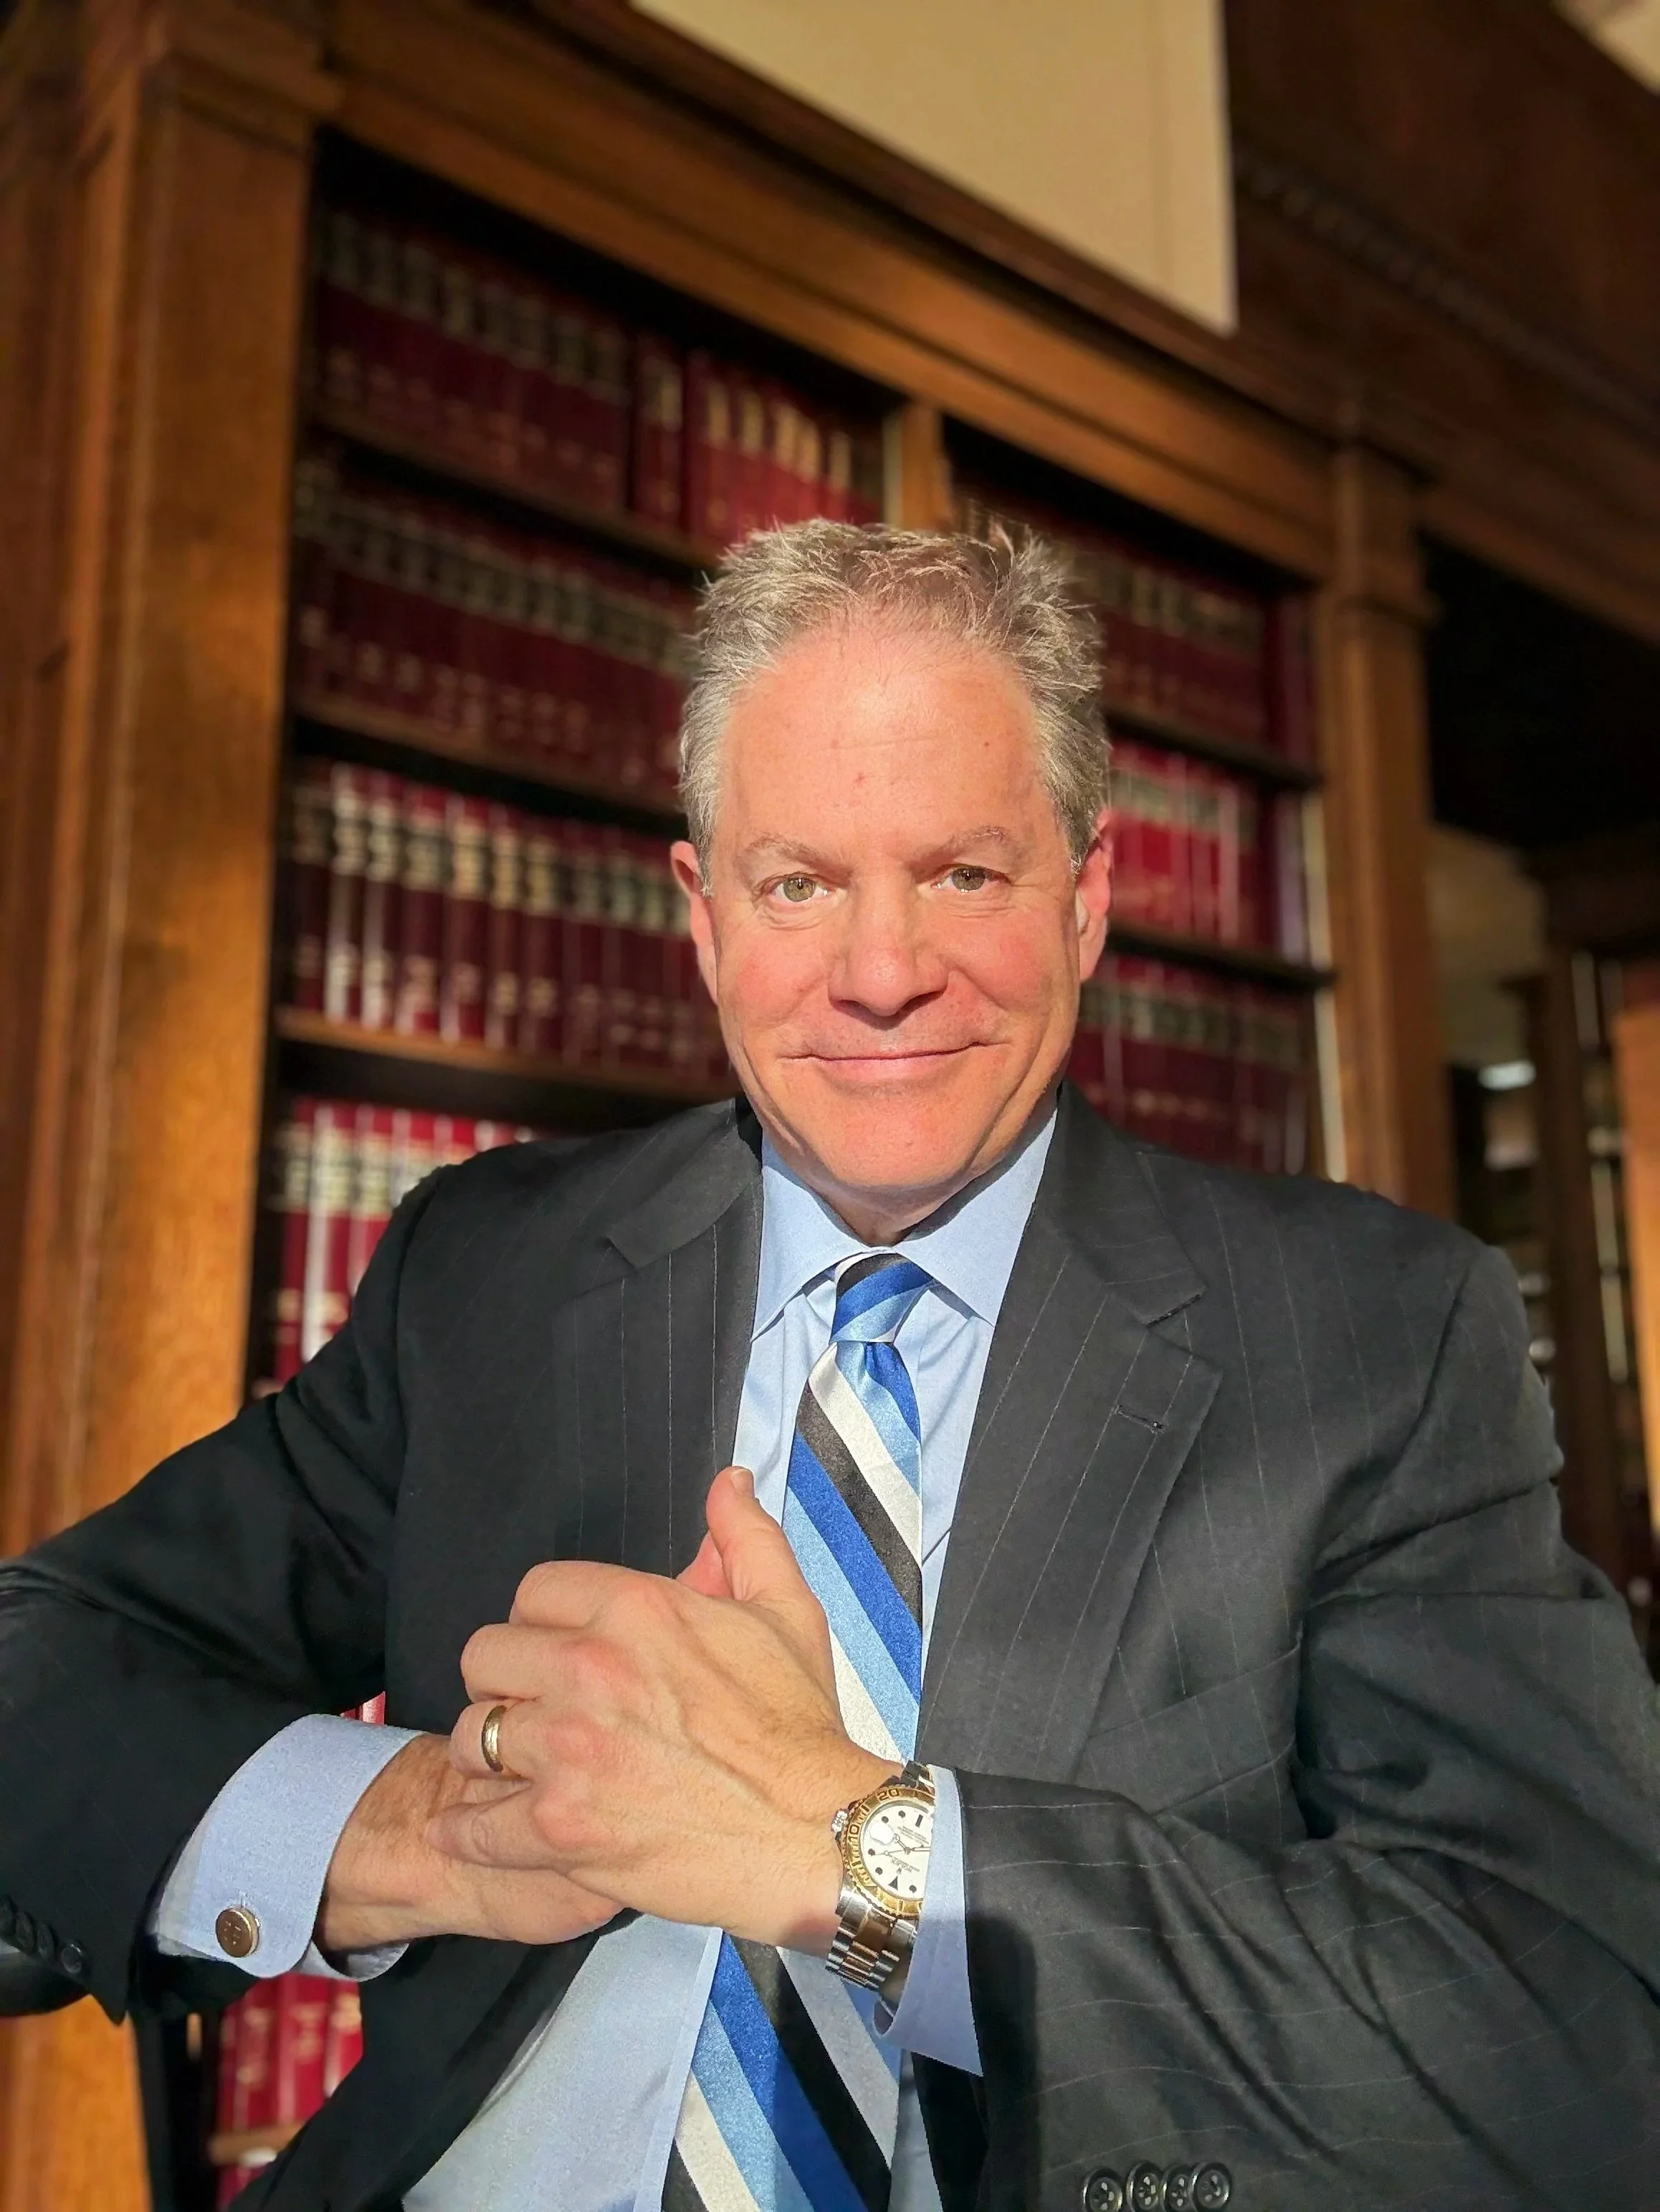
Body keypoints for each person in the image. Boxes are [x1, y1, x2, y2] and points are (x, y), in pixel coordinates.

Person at [1, 525, 1657, 2212]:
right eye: (799, 883)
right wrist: (413, 1828)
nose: (882, 975)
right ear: (703, 915)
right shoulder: (492, 1272)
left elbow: (1571, 2031)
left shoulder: (1373, 1336)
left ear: (1088, 898)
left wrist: (854, 1852)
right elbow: (41, 1668)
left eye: (964, 874)